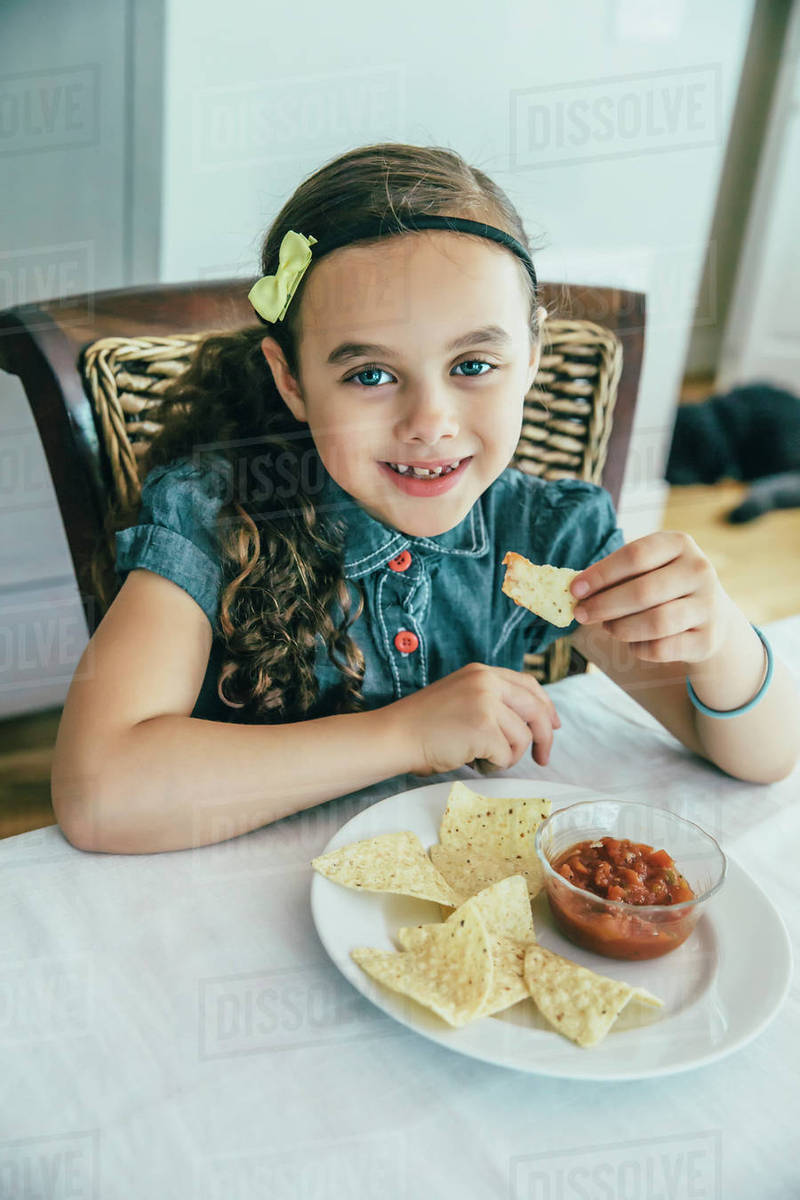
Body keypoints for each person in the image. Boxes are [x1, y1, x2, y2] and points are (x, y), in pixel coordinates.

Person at [51, 142, 800, 855]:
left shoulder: (546, 537)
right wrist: (404, 735)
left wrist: (723, 638)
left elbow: (765, 758)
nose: (429, 424)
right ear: (291, 380)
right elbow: (99, 793)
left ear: (531, 356)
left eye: (473, 363)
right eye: (371, 374)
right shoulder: (212, 515)